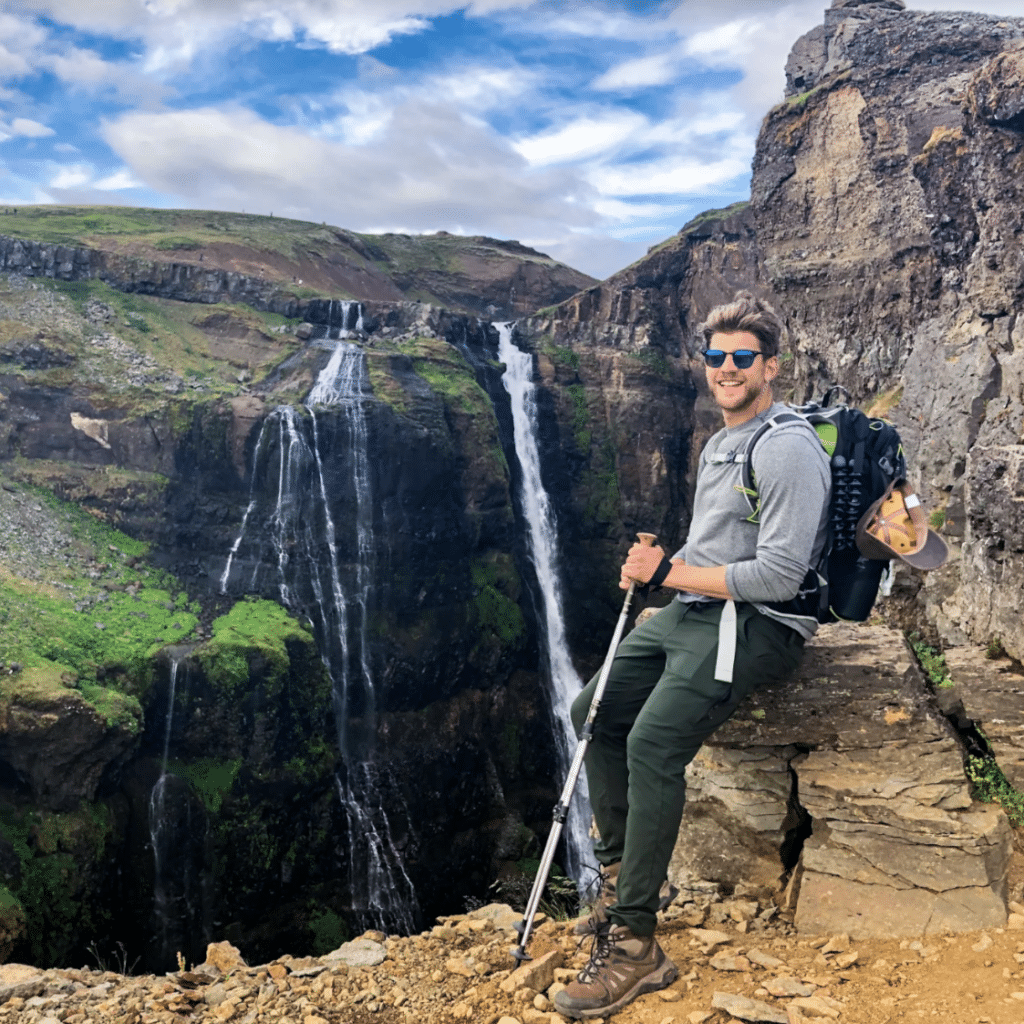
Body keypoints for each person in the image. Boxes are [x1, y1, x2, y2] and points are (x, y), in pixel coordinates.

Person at [554, 291, 831, 1020]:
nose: (727, 368)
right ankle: (626, 877)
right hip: (693, 608)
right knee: (592, 712)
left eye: (743, 356)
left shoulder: (787, 447)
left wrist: (668, 575)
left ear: (770, 366)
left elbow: (780, 575)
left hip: (759, 623)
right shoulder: (718, 444)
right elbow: (712, 544)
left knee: (652, 742)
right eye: (716, 356)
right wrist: (658, 566)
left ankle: (636, 945)